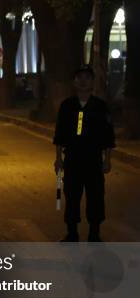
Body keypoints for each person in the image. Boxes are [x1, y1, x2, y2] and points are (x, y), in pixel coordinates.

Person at [54, 65, 115, 242]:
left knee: (96, 197)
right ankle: (72, 233)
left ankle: (94, 233)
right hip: (72, 159)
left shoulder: (100, 107)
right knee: (71, 196)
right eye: (79, 78)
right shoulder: (67, 106)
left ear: (92, 82)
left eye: (87, 78)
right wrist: (58, 159)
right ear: (74, 82)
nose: (83, 81)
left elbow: (107, 135)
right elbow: (60, 134)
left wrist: (107, 159)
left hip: (94, 160)